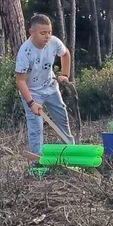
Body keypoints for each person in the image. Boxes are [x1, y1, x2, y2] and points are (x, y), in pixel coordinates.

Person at [15, 13, 74, 157]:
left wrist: (65, 75)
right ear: (31, 32)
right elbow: (20, 80)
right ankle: (38, 160)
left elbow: (65, 54)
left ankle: (70, 151)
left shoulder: (54, 42)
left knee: (62, 117)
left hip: (50, 87)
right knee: (36, 127)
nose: (47, 36)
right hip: (32, 92)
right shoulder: (25, 52)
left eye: (49, 32)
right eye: (43, 33)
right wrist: (31, 103)